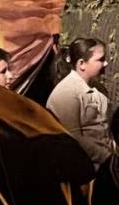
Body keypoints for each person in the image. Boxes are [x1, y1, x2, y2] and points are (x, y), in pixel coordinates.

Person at [46, 38, 113, 169]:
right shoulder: (67, 92)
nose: (105, 63)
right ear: (82, 64)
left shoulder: (98, 90)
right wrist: (107, 158)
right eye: (100, 59)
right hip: (82, 168)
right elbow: (73, 137)